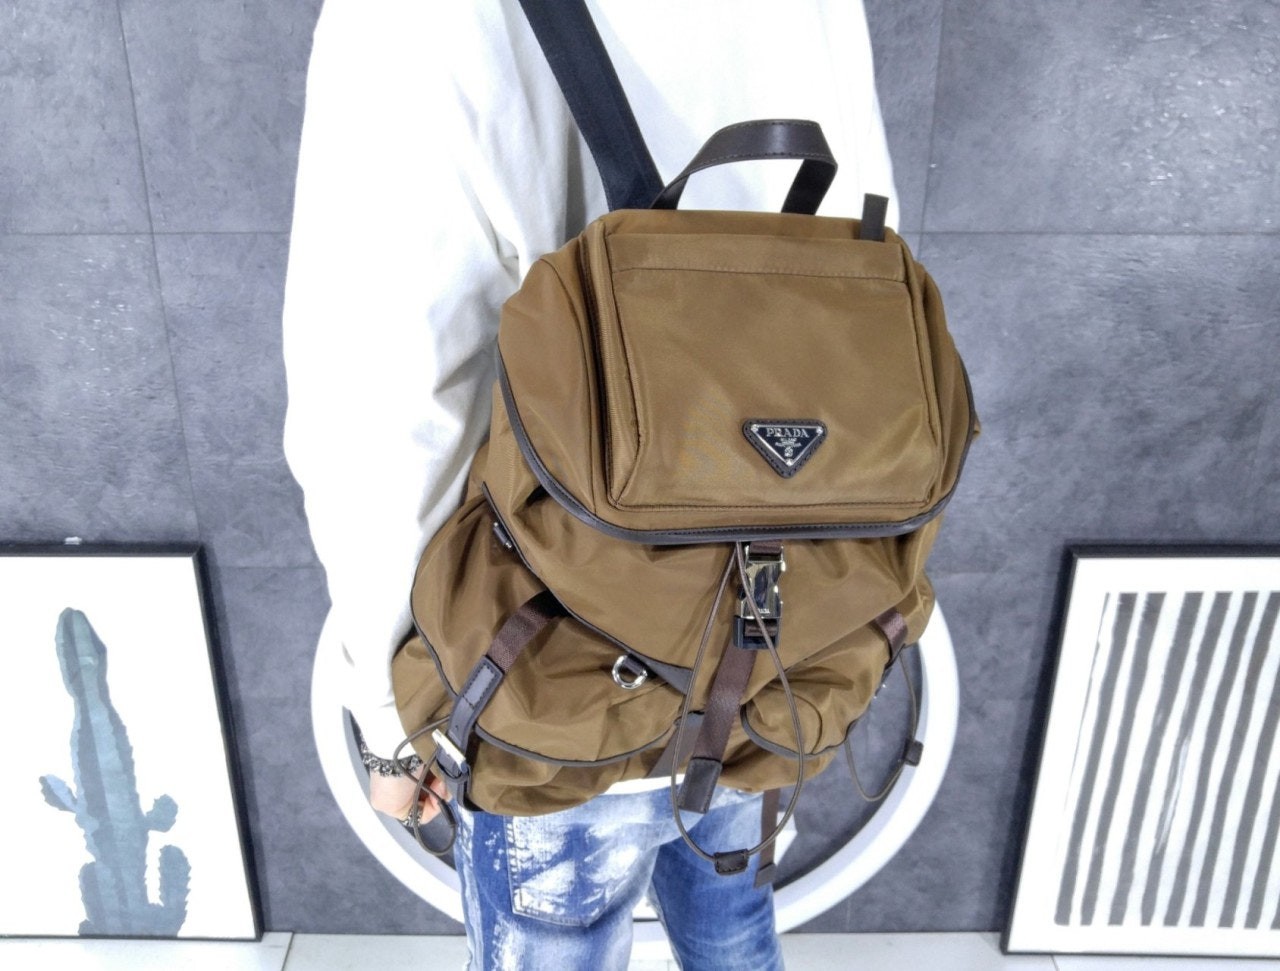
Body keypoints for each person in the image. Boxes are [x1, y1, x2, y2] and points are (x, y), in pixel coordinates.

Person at [282, 2, 900, 967]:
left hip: (555, 678)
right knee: (735, 933)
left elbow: (383, 397)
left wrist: (394, 715)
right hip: (782, 636)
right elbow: (873, 273)